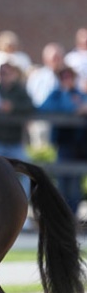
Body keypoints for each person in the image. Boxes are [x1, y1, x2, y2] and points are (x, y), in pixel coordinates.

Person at [38, 66, 87, 217]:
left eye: (69, 77)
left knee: (75, 185)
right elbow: (44, 108)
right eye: (63, 77)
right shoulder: (56, 95)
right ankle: (63, 217)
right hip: (64, 144)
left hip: (80, 145)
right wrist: (73, 107)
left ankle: (71, 217)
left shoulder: (80, 94)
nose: (67, 80)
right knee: (63, 183)